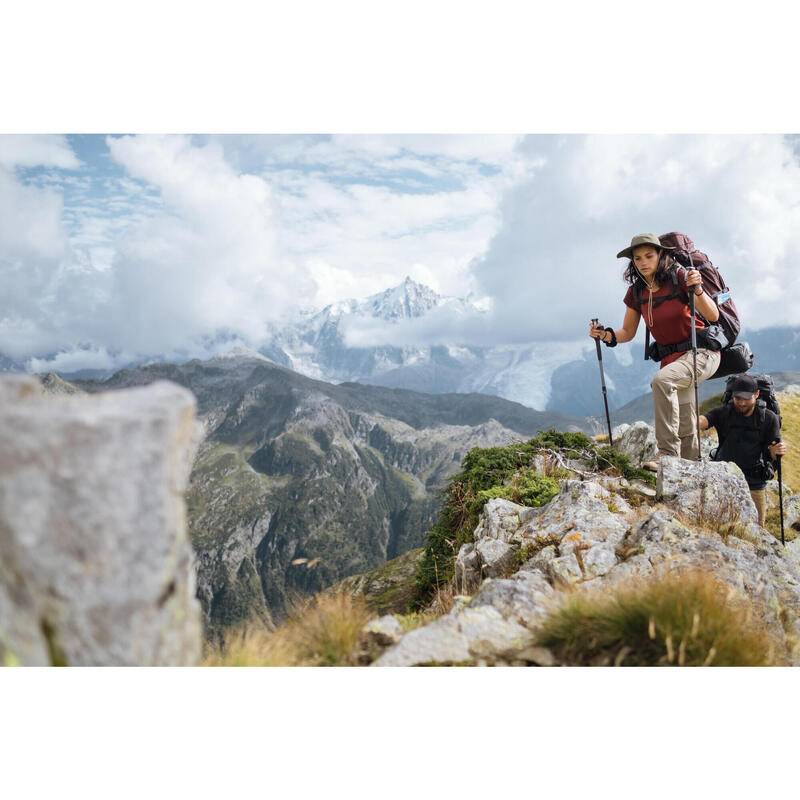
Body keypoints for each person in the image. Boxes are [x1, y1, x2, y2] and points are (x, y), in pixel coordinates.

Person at [589, 233, 721, 470]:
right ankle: (691, 471)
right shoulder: (637, 292)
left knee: (661, 381)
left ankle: (667, 453)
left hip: (702, 352)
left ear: (661, 255)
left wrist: (698, 290)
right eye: (637, 258)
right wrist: (605, 335)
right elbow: (627, 332)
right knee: (685, 419)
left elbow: (713, 316)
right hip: (672, 359)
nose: (643, 262)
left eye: (649, 256)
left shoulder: (680, 278)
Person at [699, 373, 787, 527]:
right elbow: (706, 420)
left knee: (757, 528)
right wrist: (693, 420)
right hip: (724, 478)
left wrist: (777, 451)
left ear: (757, 394)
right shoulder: (724, 412)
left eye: (746, 398)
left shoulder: (769, 418)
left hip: (754, 481)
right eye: (738, 398)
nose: (741, 402)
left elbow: (772, 452)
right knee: (717, 525)